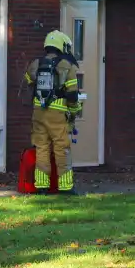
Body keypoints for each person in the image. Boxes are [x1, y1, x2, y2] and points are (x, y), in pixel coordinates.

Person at [23, 30, 83, 195]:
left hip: (38, 112)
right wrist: (75, 110)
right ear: (62, 45)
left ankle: (42, 186)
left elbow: (29, 82)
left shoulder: (36, 63)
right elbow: (72, 94)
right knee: (61, 149)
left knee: (41, 148)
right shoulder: (67, 65)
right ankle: (65, 187)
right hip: (57, 114)